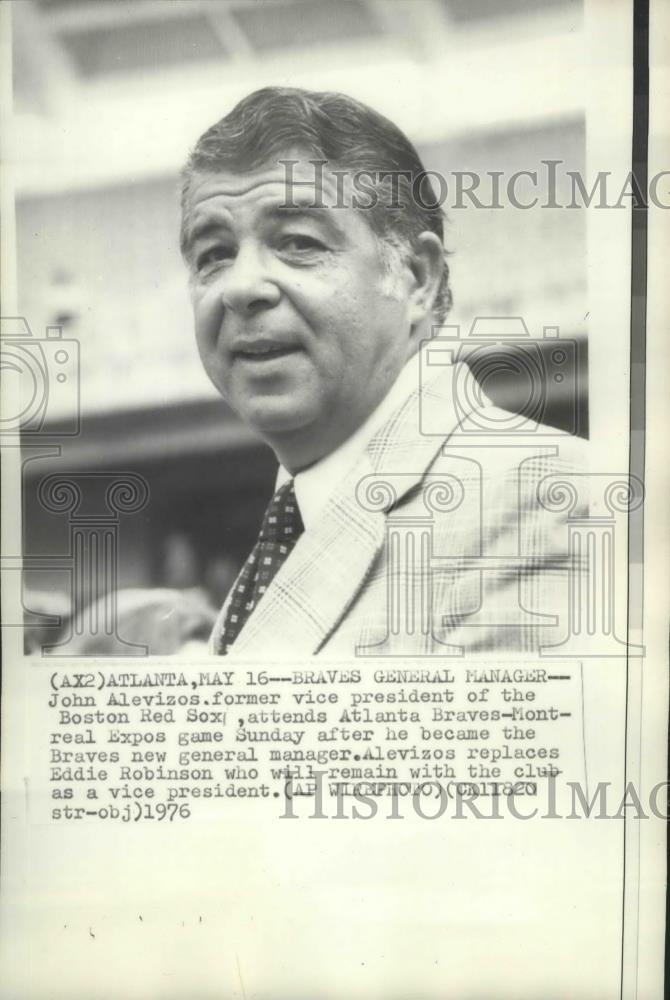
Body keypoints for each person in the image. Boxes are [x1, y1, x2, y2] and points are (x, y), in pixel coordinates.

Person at [179, 86, 587, 658]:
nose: (241, 286)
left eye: (298, 242)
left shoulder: (545, 496)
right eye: (214, 255)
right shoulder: (292, 528)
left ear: (417, 278)